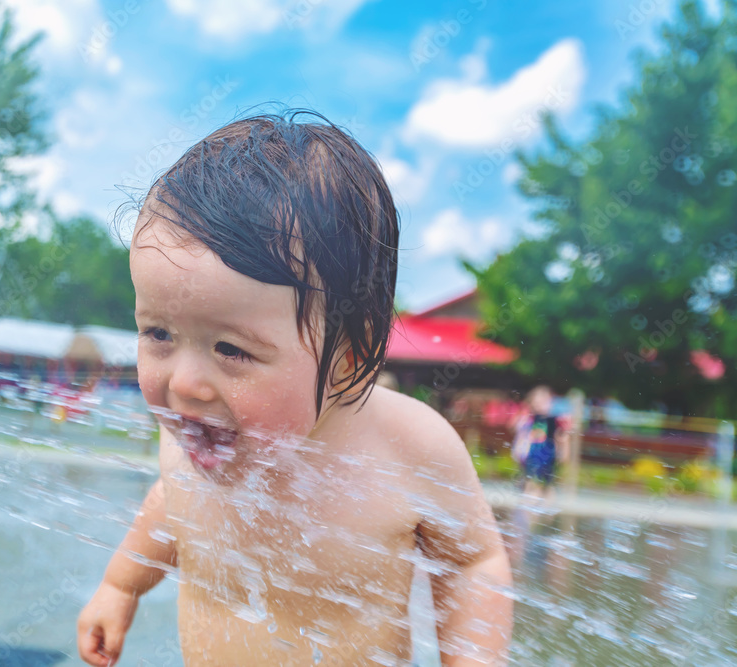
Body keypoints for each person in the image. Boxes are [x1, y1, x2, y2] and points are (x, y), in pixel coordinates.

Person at [76, 111, 513, 666]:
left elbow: (473, 563)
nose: (185, 384)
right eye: (159, 333)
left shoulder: (409, 446)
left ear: (348, 356)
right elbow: (172, 503)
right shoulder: (192, 440)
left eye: (230, 350)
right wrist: (121, 586)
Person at [511, 385, 569, 501]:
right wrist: (517, 450)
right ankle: (527, 506)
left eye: (543, 403)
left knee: (548, 484)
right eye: (536, 403)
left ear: (550, 403)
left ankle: (547, 510)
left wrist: (563, 452)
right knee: (529, 482)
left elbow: (562, 437)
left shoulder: (554, 421)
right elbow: (519, 433)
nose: (539, 406)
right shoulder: (529, 419)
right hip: (531, 455)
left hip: (548, 455)